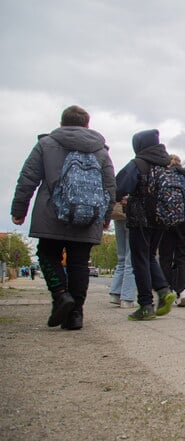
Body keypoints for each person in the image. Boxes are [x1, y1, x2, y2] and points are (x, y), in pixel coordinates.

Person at [11, 105, 115, 330]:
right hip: (88, 216)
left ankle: (60, 295)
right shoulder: (100, 150)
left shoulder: (46, 144)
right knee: (79, 263)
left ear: (61, 123)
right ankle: (75, 314)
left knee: (47, 254)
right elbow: (109, 187)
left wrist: (19, 210)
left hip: (52, 214)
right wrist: (106, 217)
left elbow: (28, 178)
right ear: (87, 125)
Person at [115, 129, 176, 321]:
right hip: (161, 219)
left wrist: (120, 198)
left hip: (141, 219)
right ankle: (163, 290)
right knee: (149, 256)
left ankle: (145, 305)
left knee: (139, 259)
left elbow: (120, 186)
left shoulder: (138, 164)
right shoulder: (165, 165)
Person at [158, 154, 185, 307]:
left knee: (166, 257)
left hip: (167, 221)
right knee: (183, 257)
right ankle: (184, 291)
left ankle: (168, 291)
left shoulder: (164, 175)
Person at [108, 201, 137, 308]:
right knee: (131, 258)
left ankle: (116, 292)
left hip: (118, 211)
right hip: (132, 213)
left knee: (122, 257)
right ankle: (127, 297)